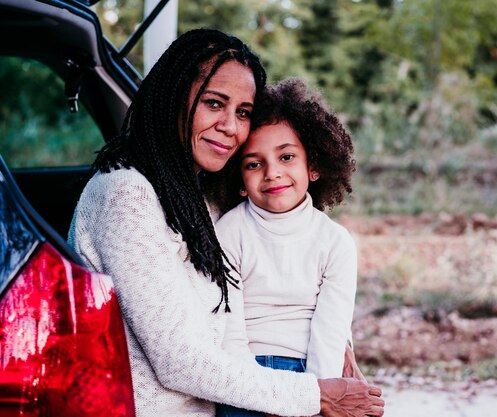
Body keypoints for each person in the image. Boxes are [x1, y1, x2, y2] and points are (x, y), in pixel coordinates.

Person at [68, 28, 384, 417]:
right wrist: (312, 395)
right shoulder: (125, 195)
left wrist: (338, 356)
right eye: (214, 104)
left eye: (243, 112)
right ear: (173, 99)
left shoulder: (198, 195)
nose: (231, 127)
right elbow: (179, 360)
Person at [213, 78, 362, 417]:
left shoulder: (335, 242)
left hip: (310, 373)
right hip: (245, 376)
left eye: (287, 156)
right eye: (254, 164)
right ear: (239, 181)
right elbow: (228, 326)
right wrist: (260, 392)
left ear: (313, 167)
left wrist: (311, 399)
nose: (272, 173)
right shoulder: (230, 232)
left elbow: (331, 331)